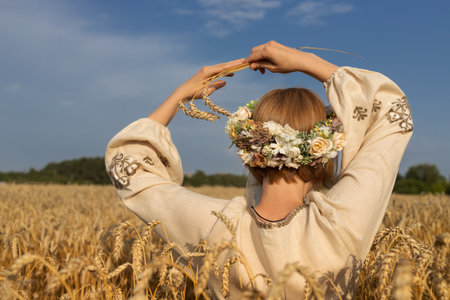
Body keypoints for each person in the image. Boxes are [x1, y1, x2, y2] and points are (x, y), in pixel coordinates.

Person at [105, 41, 413, 299]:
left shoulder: (215, 227)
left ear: (249, 149)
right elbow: (390, 109)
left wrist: (181, 95)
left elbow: (128, 165)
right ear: (325, 150)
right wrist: (304, 61)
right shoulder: (343, 220)